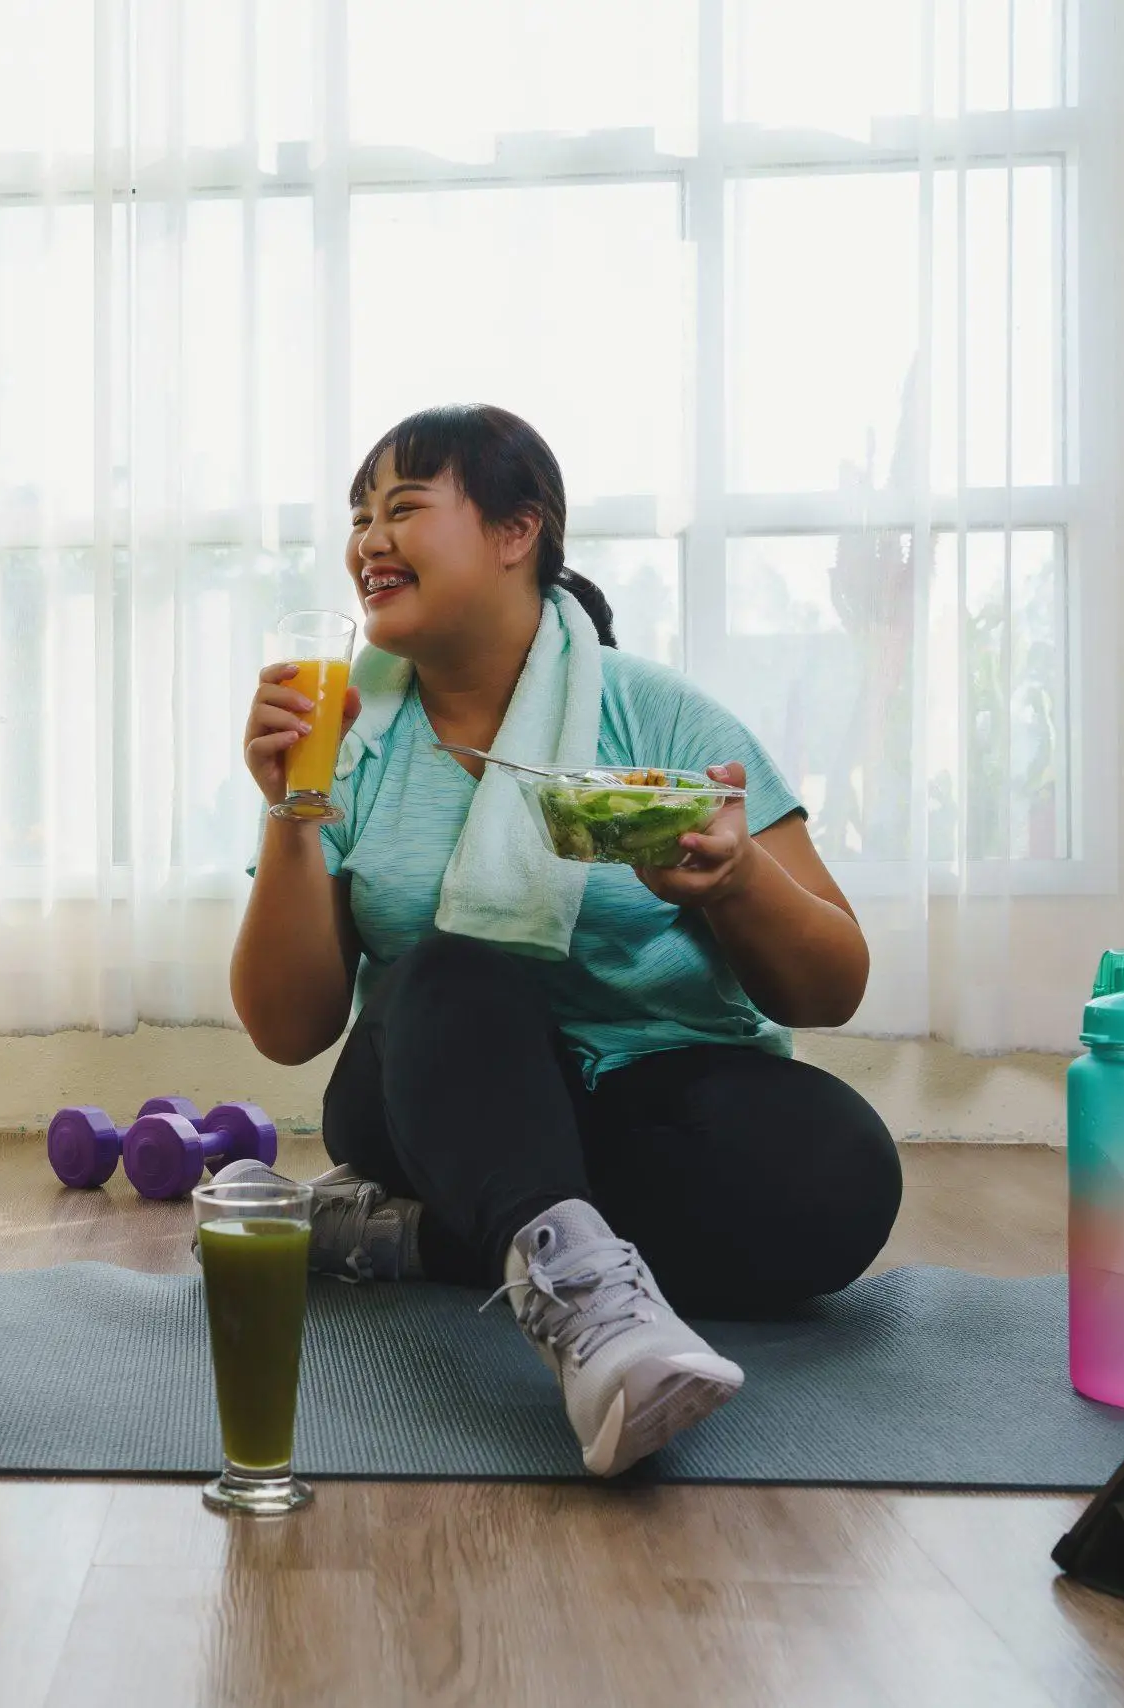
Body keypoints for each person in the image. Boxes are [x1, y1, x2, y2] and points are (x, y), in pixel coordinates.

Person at [230, 404, 900, 1477]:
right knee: (457, 961)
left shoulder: (663, 720)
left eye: (403, 506)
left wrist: (734, 882)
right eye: (358, 518)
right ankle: (597, 1318)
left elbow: (832, 985)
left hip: (648, 1087)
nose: (367, 540)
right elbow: (287, 1026)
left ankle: (408, 1237)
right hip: (432, 1087)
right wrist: (289, 812)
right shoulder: (343, 741)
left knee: (841, 1176)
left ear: (515, 532)